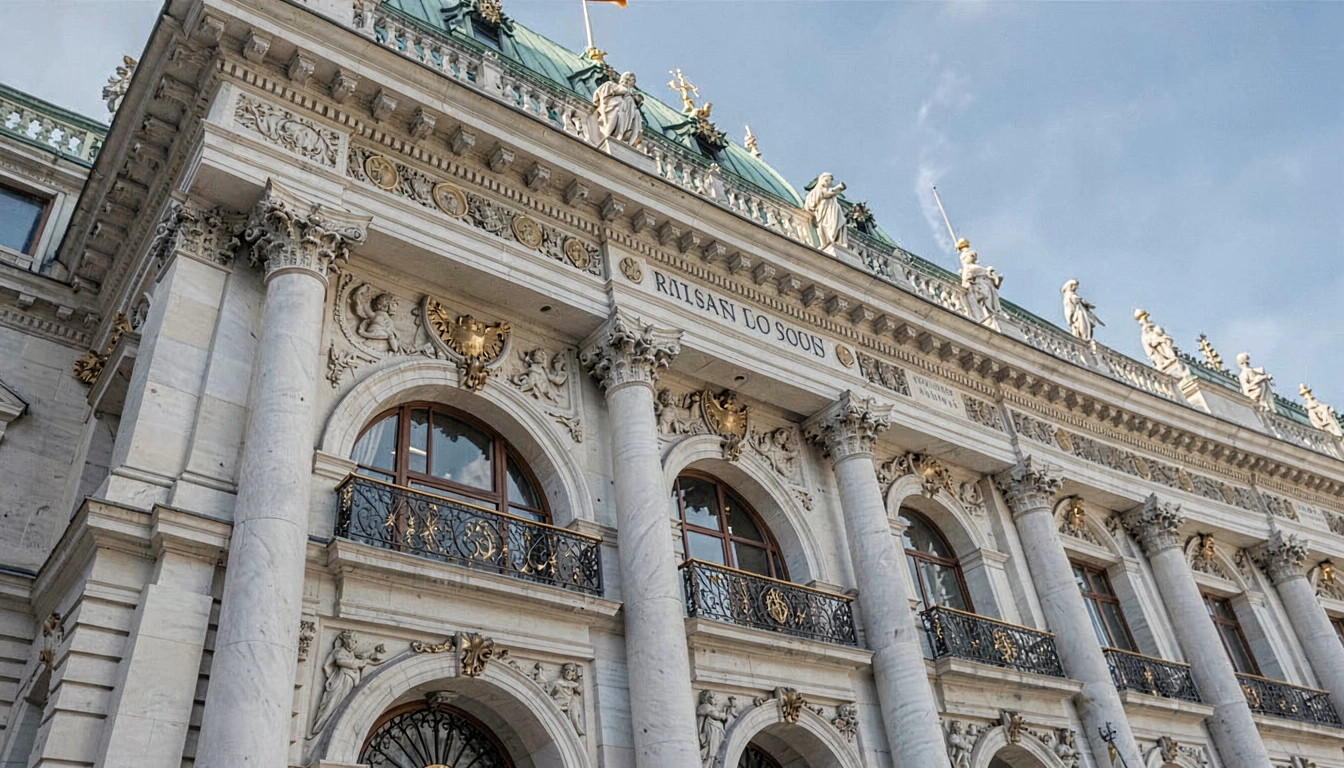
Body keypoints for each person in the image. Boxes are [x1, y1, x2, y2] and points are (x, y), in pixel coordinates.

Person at [593, 71, 644, 146]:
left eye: (631, 81)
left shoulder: (631, 99)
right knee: (614, 117)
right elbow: (598, 96)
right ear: (622, 79)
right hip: (612, 111)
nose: (627, 82)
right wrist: (617, 92)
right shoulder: (611, 85)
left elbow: (635, 121)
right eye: (626, 79)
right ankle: (606, 138)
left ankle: (614, 140)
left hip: (623, 118)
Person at [805, 173, 847, 250]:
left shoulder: (829, 191)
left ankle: (832, 240)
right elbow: (819, 197)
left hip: (832, 211)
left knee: (834, 223)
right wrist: (836, 190)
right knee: (824, 226)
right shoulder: (818, 190)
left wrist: (835, 190)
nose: (829, 182)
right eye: (828, 180)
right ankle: (826, 242)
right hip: (824, 211)